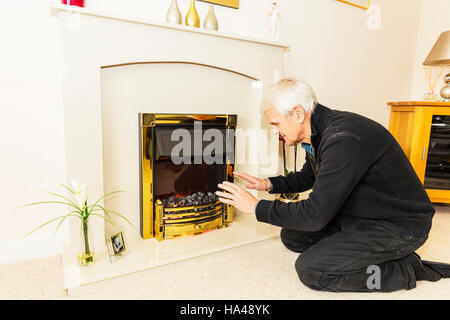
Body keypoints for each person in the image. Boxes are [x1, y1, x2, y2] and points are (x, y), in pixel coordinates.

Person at [216, 78, 450, 292]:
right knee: (293, 237)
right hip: (361, 216)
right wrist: (268, 184)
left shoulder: (342, 139)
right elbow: (309, 176)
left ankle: (404, 270)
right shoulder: (317, 134)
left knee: (313, 270)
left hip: (399, 225)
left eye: (276, 124)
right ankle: (358, 248)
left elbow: (314, 216)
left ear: (298, 114)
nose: (275, 131)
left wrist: (256, 207)